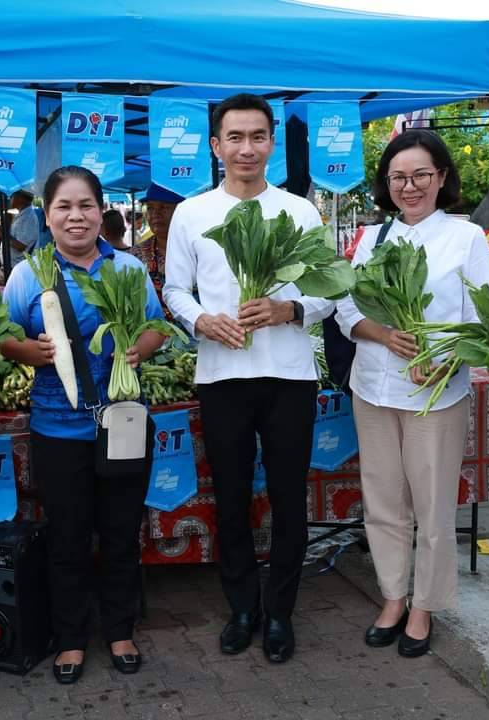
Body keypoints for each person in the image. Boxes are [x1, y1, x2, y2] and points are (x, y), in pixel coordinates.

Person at [163, 94, 333, 664]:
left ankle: (280, 611)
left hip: (288, 376)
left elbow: (330, 290)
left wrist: (291, 310)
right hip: (222, 375)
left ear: (271, 145)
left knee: (288, 498)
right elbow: (174, 290)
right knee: (231, 499)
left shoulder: (300, 212)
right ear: (216, 146)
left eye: (258, 137)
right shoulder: (192, 214)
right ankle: (242, 607)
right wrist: (199, 319)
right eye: (235, 138)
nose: (247, 148)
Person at [1, 166, 169, 685]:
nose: (76, 217)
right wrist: (30, 351)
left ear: (102, 211)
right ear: (46, 217)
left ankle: (120, 630)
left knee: (120, 532)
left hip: (121, 423)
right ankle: (71, 638)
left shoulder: (129, 269)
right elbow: (5, 337)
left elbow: (156, 326)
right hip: (57, 429)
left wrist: (138, 348)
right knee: (68, 538)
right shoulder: (29, 274)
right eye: (63, 208)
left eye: (86, 206)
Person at [335, 129, 489, 658]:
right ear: (386, 183)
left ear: (442, 178)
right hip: (373, 387)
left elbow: (482, 319)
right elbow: (345, 310)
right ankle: (392, 597)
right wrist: (382, 334)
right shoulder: (372, 239)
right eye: (399, 177)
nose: (410, 186)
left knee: (431, 507)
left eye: (421, 175)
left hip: (435, 396)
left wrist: (446, 360)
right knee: (382, 503)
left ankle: (425, 606)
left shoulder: (466, 239)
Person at [128, 184, 184, 320]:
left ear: (181, 210)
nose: (155, 214)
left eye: (164, 207)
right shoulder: (135, 255)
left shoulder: (197, 249)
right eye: (150, 208)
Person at [8, 189, 51, 254]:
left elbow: (21, 246)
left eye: (12, 196)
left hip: (25, 261)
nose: (10, 199)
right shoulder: (24, 215)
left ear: (20, 198)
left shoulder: (29, 217)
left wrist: (5, 235)